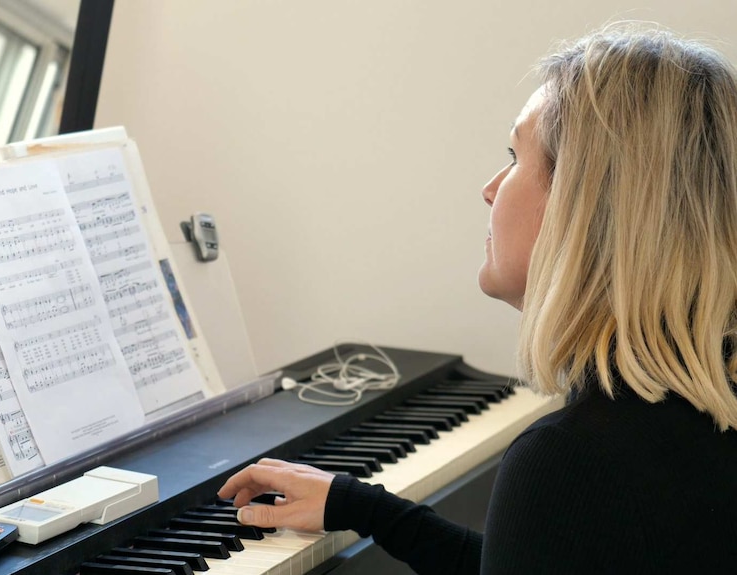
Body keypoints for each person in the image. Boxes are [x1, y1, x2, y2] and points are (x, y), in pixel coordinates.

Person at [218, 23, 737, 574]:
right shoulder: (696, 411)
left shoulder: (576, 459)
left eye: (514, 157)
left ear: (583, 205)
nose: (490, 188)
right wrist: (363, 506)